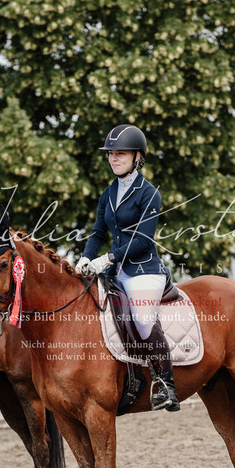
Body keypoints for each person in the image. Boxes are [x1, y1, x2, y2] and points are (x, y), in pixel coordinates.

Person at [75, 124, 180, 412]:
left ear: (137, 157)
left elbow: (143, 240)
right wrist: (86, 257)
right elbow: (98, 232)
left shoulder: (149, 193)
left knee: (143, 319)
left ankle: (165, 384)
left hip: (144, 270)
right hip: (114, 272)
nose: (113, 158)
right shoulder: (108, 193)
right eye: (111, 154)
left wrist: (109, 258)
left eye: (120, 154)